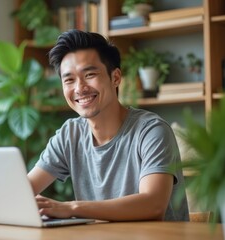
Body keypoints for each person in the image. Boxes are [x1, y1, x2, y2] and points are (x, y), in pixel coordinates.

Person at [27, 29, 189, 221]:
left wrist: (71, 207)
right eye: (69, 80)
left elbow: (152, 204)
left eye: (89, 75)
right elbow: (23, 191)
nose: (79, 88)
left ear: (116, 77)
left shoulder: (152, 131)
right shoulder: (70, 134)